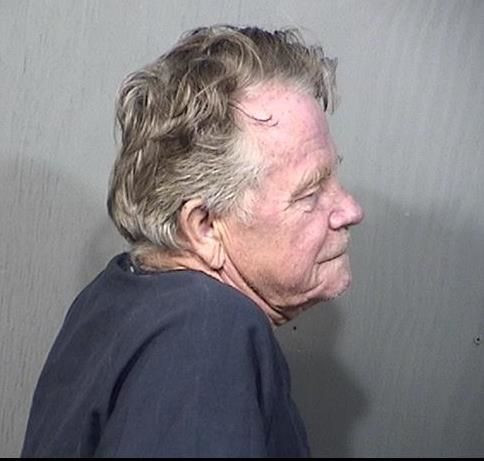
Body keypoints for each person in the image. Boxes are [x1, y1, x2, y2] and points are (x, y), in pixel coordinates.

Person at [21, 25, 363, 457]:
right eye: (310, 193)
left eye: (335, 176)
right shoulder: (209, 333)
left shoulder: (113, 294)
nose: (350, 210)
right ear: (204, 226)